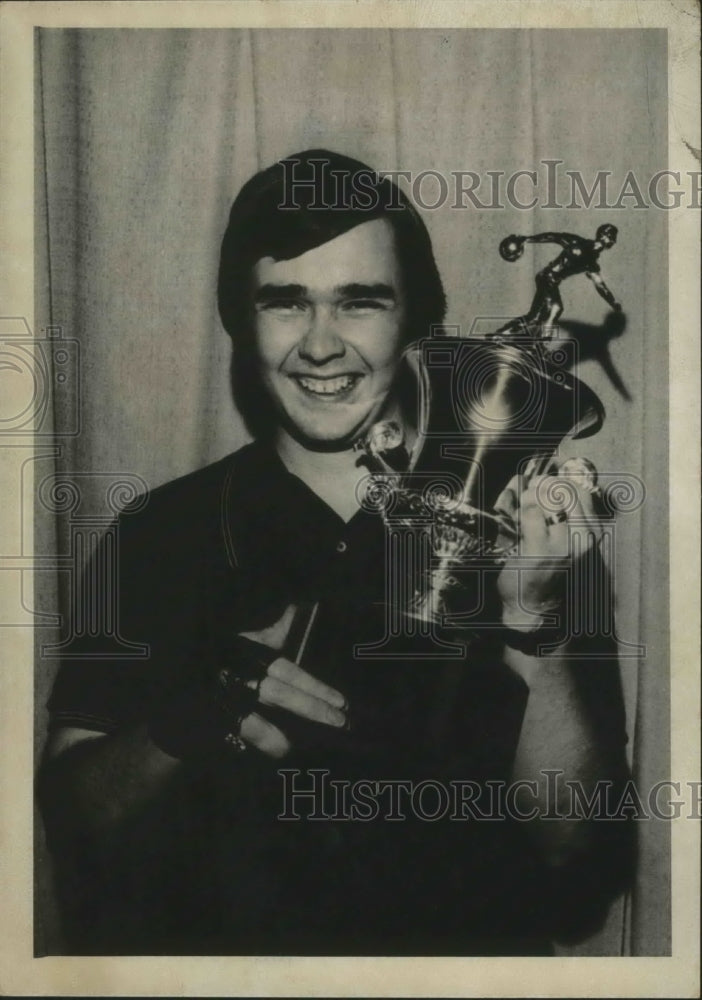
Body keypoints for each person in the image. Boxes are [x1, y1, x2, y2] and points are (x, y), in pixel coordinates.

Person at [39, 150, 633, 956]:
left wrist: (537, 623)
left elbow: (573, 851)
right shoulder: (161, 530)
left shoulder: (534, 533)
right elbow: (73, 820)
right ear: (240, 322)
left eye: (360, 302)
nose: (322, 346)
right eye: (286, 303)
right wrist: (185, 723)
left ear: (416, 322)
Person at [495, 225, 622, 338]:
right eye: (612, 238)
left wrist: (613, 302)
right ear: (605, 236)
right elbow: (553, 237)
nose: (613, 242)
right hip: (547, 277)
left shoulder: (591, 263)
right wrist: (527, 238)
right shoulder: (576, 242)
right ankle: (542, 343)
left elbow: (600, 285)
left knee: (535, 317)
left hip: (551, 281)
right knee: (556, 308)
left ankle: (500, 335)